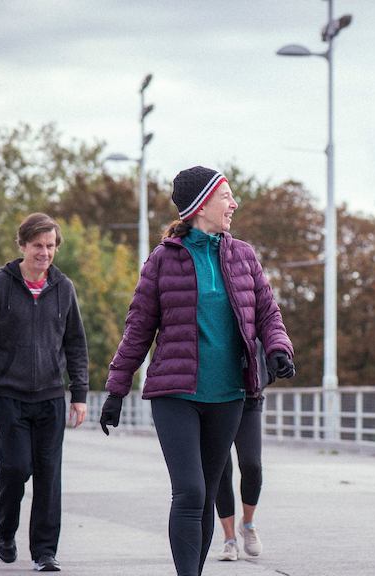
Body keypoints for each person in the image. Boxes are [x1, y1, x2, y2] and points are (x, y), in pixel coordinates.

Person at [99, 166, 295, 576]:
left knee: (205, 495)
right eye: (226, 197)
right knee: (189, 490)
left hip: (228, 396)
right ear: (201, 205)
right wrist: (116, 390)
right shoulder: (162, 261)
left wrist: (278, 348)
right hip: (176, 396)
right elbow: (138, 328)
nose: (233, 204)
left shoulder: (243, 255)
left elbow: (267, 313)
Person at [0, 212, 89, 573]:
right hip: (10, 396)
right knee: (15, 469)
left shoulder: (63, 288)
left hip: (51, 397)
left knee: (49, 476)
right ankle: (6, 529)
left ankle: (44, 552)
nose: (45, 252)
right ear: (22, 245)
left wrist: (79, 393)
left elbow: (76, 345)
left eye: (50, 246)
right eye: (38, 245)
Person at [216, 342, 271, 562]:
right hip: (215, 397)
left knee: (252, 464)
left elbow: (271, 334)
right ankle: (229, 540)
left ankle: (247, 523)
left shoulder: (254, 307)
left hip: (249, 396)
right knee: (221, 469)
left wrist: (272, 366)